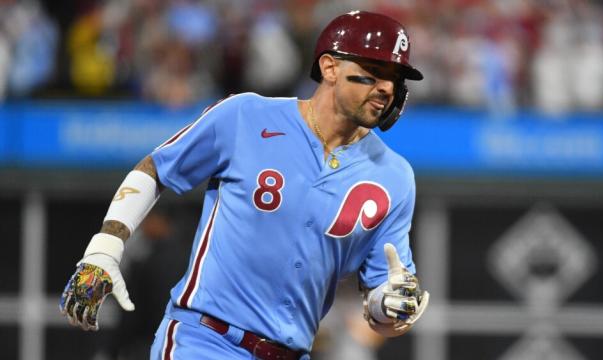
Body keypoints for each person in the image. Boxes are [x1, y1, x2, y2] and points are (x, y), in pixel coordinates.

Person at [60, 10, 429, 360]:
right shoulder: (246, 115)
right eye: (375, 70)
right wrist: (106, 245)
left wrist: (393, 306)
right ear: (329, 67)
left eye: (395, 77)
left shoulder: (393, 175)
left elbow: (383, 308)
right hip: (204, 338)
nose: (386, 87)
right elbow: (156, 168)